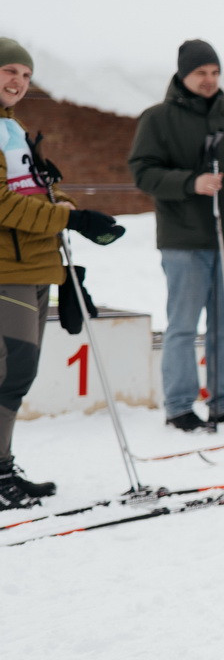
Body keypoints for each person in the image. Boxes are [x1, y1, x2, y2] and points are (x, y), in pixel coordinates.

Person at [0, 38, 126, 506]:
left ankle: (3, 468)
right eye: (9, 70)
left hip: (35, 265)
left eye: (26, 75)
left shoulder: (13, 129)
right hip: (6, 269)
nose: (18, 81)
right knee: (12, 371)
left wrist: (66, 204)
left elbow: (30, 198)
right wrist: (71, 219)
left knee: (18, 374)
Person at [128, 39, 224, 432]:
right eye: (201, 73)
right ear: (183, 75)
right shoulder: (157, 119)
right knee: (183, 325)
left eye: (215, 72)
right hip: (184, 239)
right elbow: (143, 172)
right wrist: (191, 182)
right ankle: (179, 405)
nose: (209, 80)